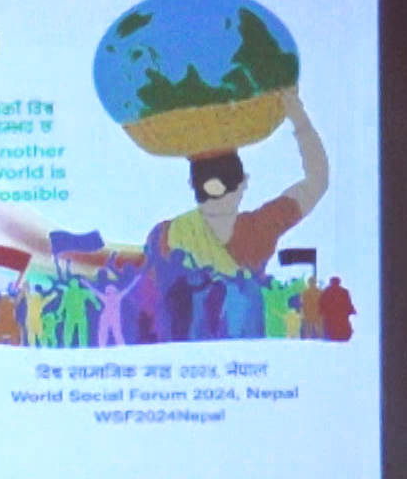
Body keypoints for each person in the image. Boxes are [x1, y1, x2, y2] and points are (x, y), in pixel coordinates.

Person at [147, 88, 327, 277]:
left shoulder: (164, 235)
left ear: (192, 183)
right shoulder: (256, 233)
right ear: (243, 183)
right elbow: (318, 180)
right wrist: (298, 118)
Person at [321, 276, 356, 341]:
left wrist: (322, 311)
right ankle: (343, 336)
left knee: (330, 326)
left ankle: (332, 336)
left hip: (330, 314)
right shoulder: (344, 291)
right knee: (342, 326)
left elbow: (322, 303)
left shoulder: (326, 291)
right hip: (341, 314)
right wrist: (351, 310)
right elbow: (348, 303)